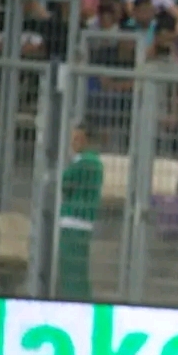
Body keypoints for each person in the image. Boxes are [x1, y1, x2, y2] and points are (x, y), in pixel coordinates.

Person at [58, 121, 104, 301]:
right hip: (86, 220)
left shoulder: (81, 163)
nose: (73, 143)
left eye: (77, 139)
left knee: (70, 268)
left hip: (72, 219)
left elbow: (64, 183)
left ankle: (74, 301)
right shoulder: (97, 164)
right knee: (79, 267)